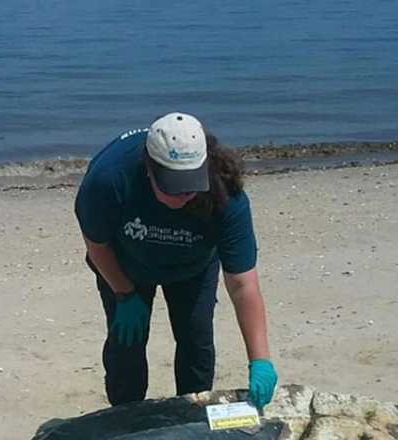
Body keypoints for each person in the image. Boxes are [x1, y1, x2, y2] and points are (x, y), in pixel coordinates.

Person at [74, 111, 278, 410]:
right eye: (173, 186)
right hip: (125, 264)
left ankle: (191, 414)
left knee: (196, 341)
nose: (184, 195)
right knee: (126, 345)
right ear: (149, 169)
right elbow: (97, 244)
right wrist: (124, 293)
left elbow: (242, 284)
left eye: (191, 184)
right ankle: (125, 416)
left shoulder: (227, 195)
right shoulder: (108, 179)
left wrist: (260, 360)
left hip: (193, 268)